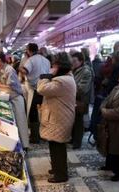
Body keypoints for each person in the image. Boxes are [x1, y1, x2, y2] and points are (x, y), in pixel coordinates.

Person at [37, 52, 76, 183]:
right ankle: (56, 168)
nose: (52, 67)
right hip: (59, 117)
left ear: (60, 66)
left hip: (59, 119)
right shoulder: (66, 78)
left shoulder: (61, 81)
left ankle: (61, 175)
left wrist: (45, 76)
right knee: (54, 145)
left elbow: (41, 89)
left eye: (54, 65)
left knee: (58, 147)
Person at [20, 43, 51, 144]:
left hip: (35, 89)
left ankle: (35, 137)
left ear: (29, 51)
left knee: (34, 114)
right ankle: (44, 135)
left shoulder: (30, 60)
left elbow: (25, 71)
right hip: (46, 89)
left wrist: (20, 68)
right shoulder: (46, 60)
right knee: (43, 113)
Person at [71, 52, 93, 149]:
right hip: (73, 98)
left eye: (75, 61)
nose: (73, 63)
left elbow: (83, 88)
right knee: (73, 119)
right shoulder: (73, 70)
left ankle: (77, 142)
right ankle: (73, 139)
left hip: (81, 100)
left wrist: (69, 89)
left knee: (79, 121)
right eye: (72, 61)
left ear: (81, 61)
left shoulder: (86, 72)